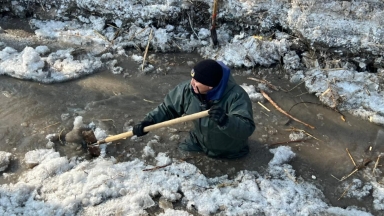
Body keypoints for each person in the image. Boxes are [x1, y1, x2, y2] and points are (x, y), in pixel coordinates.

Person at [132, 59, 255, 159]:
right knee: (181, 155)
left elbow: (246, 128)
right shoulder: (188, 90)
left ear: (210, 86)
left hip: (231, 150)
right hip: (198, 141)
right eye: (192, 78)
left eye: (197, 81)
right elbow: (167, 109)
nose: (192, 83)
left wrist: (226, 121)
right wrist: (148, 121)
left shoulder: (236, 96)